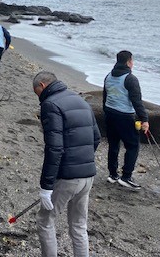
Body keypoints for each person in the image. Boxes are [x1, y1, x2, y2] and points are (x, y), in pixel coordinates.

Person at [33, 71, 100, 257]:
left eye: (36, 92)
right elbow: (96, 138)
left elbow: (54, 148)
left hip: (68, 178)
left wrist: (46, 187)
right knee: (79, 224)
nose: (38, 97)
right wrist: (82, 161)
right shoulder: (81, 101)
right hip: (88, 176)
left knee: (45, 221)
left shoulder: (50, 104)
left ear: (43, 86)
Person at [103, 50, 149, 190]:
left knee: (113, 144)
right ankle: (126, 177)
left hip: (109, 114)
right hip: (124, 116)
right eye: (132, 61)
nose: (133, 64)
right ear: (129, 62)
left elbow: (105, 97)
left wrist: (106, 112)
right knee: (133, 146)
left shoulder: (108, 76)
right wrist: (144, 120)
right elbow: (137, 102)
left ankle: (112, 174)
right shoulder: (130, 79)